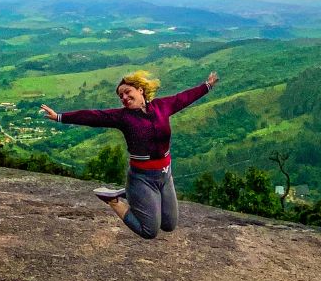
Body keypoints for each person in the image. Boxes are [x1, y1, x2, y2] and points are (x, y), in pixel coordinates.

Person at [40, 70, 219, 239]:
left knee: (169, 225)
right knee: (149, 231)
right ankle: (114, 200)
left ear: (140, 90)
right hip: (142, 178)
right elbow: (92, 116)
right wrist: (59, 116)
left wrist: (207, 85)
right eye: (121, 96)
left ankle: (132, 194)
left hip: (165, 175)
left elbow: (184, 98)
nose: (124, 98)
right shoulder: (123, 117)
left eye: (127, 92)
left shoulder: (161, 106)